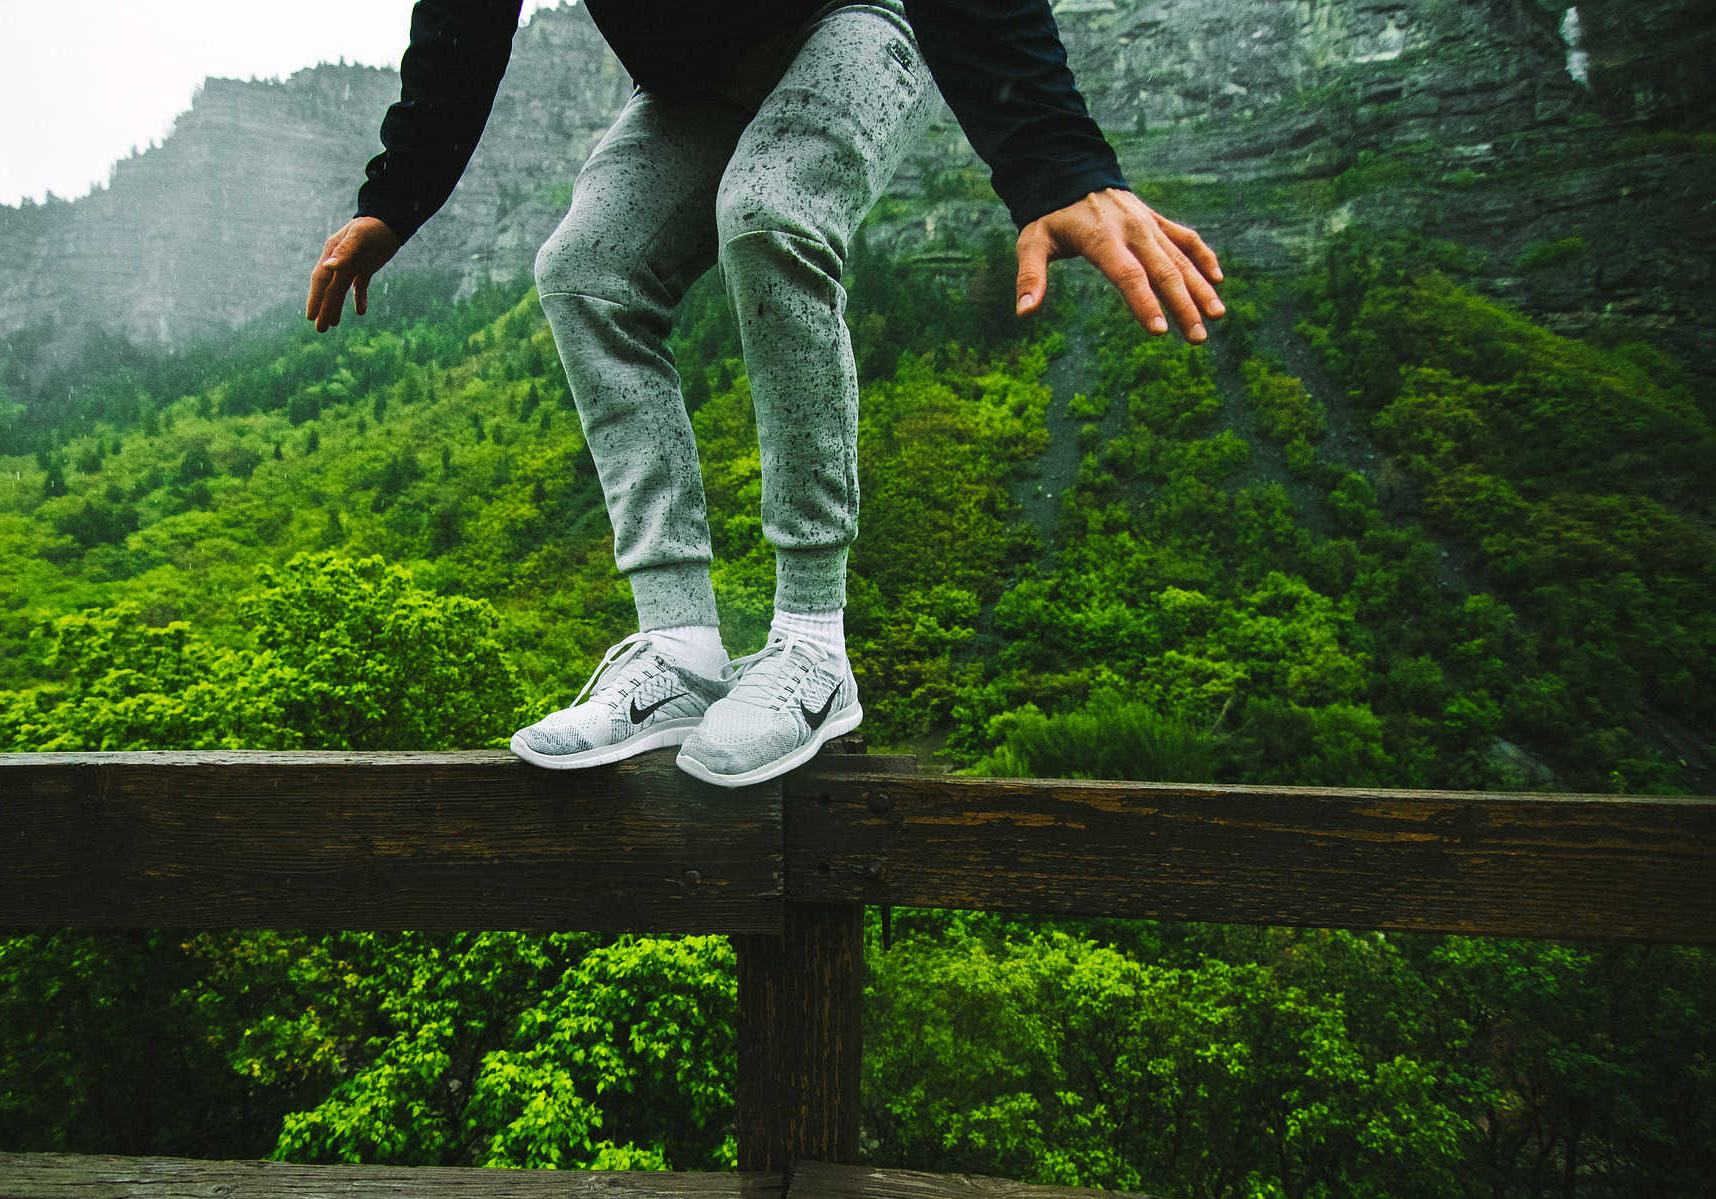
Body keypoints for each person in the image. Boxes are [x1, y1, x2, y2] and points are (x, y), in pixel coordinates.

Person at [305, 0, 1223, 787]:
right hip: (694, 86)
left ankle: (813, 645)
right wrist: (397, 198)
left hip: (856, 24)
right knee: (584, 271)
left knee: (770, 212)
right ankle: (680, 652)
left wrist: (1059, 167)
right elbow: (462, 19)